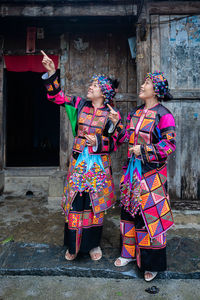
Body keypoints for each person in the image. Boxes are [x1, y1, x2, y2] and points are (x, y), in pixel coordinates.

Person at [41, 50, 121, 261]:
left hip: (99, 167)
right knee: (76, 203)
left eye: (94, 86)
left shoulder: (111, 114)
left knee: (93, 205)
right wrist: (51, 73)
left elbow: (116, 141)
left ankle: (93, 245)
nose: (90, 87)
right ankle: (73, 246)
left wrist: (100, 140)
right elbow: (56, 96)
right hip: (78, 165)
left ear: (103, 93)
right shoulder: (79, 104)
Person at [109, 71, 176, 281]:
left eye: (146, 83)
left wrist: (145, 150)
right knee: (129, 213)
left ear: (156, 90)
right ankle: (128, 254)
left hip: (151, 175)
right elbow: (124, 138)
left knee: (149, 218)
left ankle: (151, 263)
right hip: (131, 173)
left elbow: (169, 145)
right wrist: (115, 123)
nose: (142, 86)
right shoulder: (135, 113)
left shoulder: (164, 115)